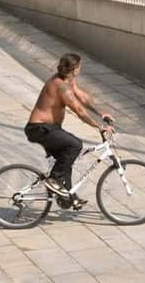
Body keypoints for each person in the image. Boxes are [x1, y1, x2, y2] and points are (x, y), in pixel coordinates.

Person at [25, 53, 113, 208]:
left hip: (49, 128)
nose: (81, 68)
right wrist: (99, 126)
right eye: (80, 66)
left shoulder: (67, 79)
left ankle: (67, 197)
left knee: (66, 159)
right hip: (40, 129)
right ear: (75, 68)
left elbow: (82, 97)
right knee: (75, 145)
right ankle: (54, 180)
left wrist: (101, 113)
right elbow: (79, 110)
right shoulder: (61, 86)